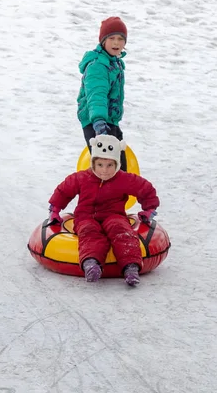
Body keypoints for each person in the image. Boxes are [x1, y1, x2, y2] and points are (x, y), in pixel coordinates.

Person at [46, 135, 159, 286]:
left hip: (114, 215)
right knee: (89, 231)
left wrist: (149, 208)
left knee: (121, 230)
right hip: (85, 216)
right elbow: (64, 191)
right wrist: (54, 209)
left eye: (109, 165)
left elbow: (145, 189)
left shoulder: (123, 179)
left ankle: (130, 267)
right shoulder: (82, 178)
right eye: (100, 164)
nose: (104, 171)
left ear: (117, 164)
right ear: (93, 163)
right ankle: (91, 264)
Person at [77, 16, 128, 171]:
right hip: (97, 123)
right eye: (112, 38)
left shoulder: (114, 63)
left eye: (120, 39)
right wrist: (99, 123)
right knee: (107, 171)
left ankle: (119, 195)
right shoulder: (98, 66)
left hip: (109, 122)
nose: (116, 43)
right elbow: (96, 96)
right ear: (103, 40)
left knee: (119, 169)